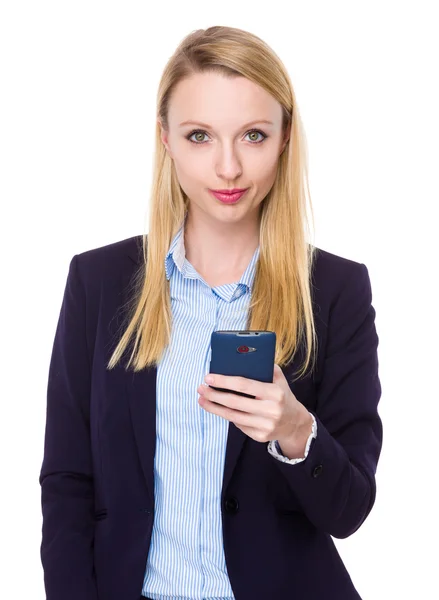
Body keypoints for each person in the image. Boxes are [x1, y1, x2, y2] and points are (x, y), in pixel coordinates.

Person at [39, 25, 383, 600]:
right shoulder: (97, 282)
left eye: (252, 135)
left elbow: (349, 511)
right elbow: (68, 481)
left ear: (284, 139)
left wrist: (297, 432)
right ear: (166, 139)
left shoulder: (337, 290)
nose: (228, 169)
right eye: (200, 136)